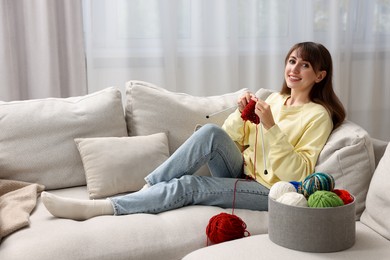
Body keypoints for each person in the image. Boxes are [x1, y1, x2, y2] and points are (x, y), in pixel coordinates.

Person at [41, 42, 345, 220]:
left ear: (320, 75)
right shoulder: (275, 100)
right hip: (242, 170)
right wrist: (243, 115)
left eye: (304, 65)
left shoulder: (318, 116)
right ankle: (150, 189)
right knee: (208, 135)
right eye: (291, 61)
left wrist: (271, 127)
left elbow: (301, 172)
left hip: (271, 190)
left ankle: (105, 208)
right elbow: (232, 138)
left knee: (191, 186)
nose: (294, 69)